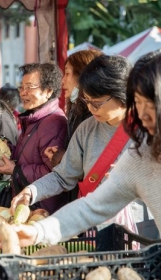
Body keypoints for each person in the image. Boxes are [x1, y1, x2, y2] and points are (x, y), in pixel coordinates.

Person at [11, 48, 161, 248]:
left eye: (151, 104)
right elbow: (93, 206)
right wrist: (38, 231)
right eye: (138, 102)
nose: (143, 114)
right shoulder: (140, 155)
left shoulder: (143, 141)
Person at [10, 55, 141, 237]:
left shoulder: (146, 131)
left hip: (136, 231)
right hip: (91, 227)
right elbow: (63, 176)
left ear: (122, 94)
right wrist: (32, 191)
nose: (91, 109)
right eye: (87, 101)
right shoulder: (87, 129)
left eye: (97, 103)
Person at [0, 63, 69, 214]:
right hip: (28, 204)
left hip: (42, 209)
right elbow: (30, 156)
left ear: (48, 91)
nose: (23, 93)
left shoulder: (54, 123)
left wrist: (15, 169)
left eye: (29, 87)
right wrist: (7, 150)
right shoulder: (34, 119)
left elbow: (55, 174)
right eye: (21, 87)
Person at [45, 49, 102, 200]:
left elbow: (91, 166)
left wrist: (64, 159)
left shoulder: (96, 117)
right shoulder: (75, 111)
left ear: (83, 75)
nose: (63, 81)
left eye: (68, 73)